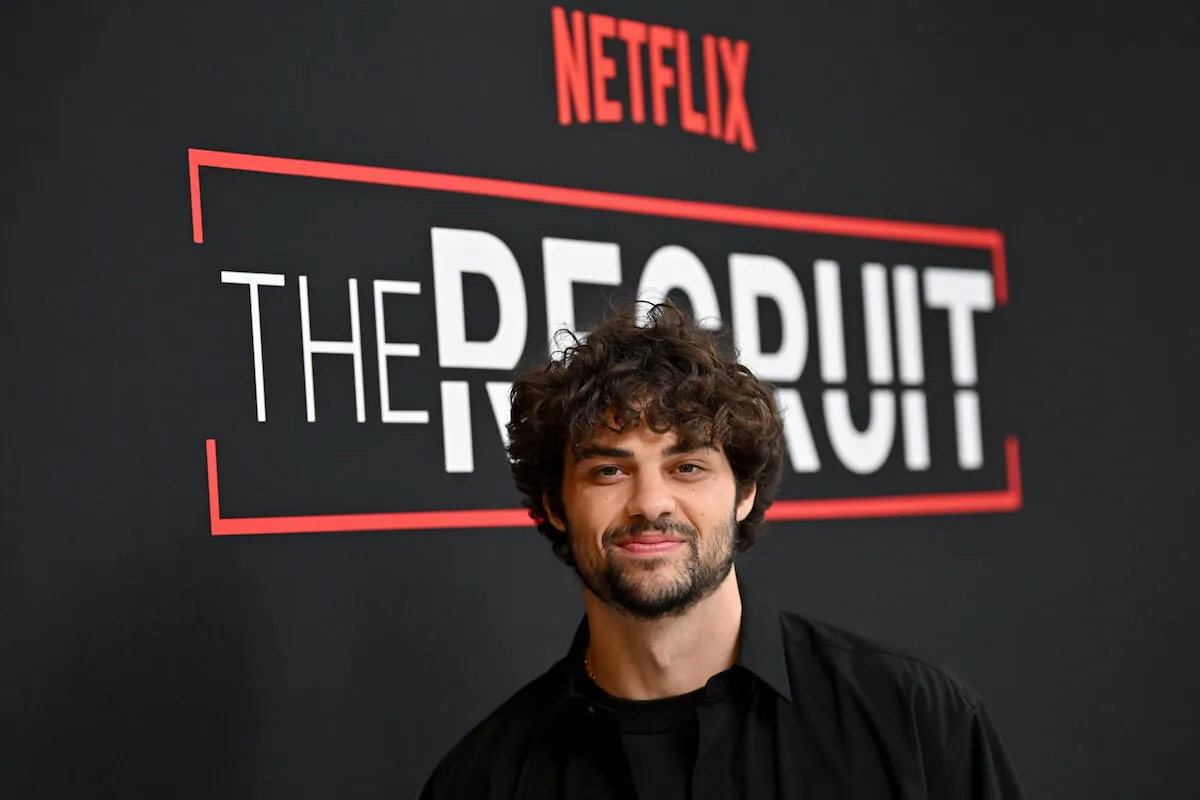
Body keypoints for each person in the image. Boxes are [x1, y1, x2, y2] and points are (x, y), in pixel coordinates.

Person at [420, 301, 1026, 799]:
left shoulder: (915, 722)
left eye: (686, 466)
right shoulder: (481, 783)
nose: (650, 503)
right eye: (609, 471)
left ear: (744, 494)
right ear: (555, 504)